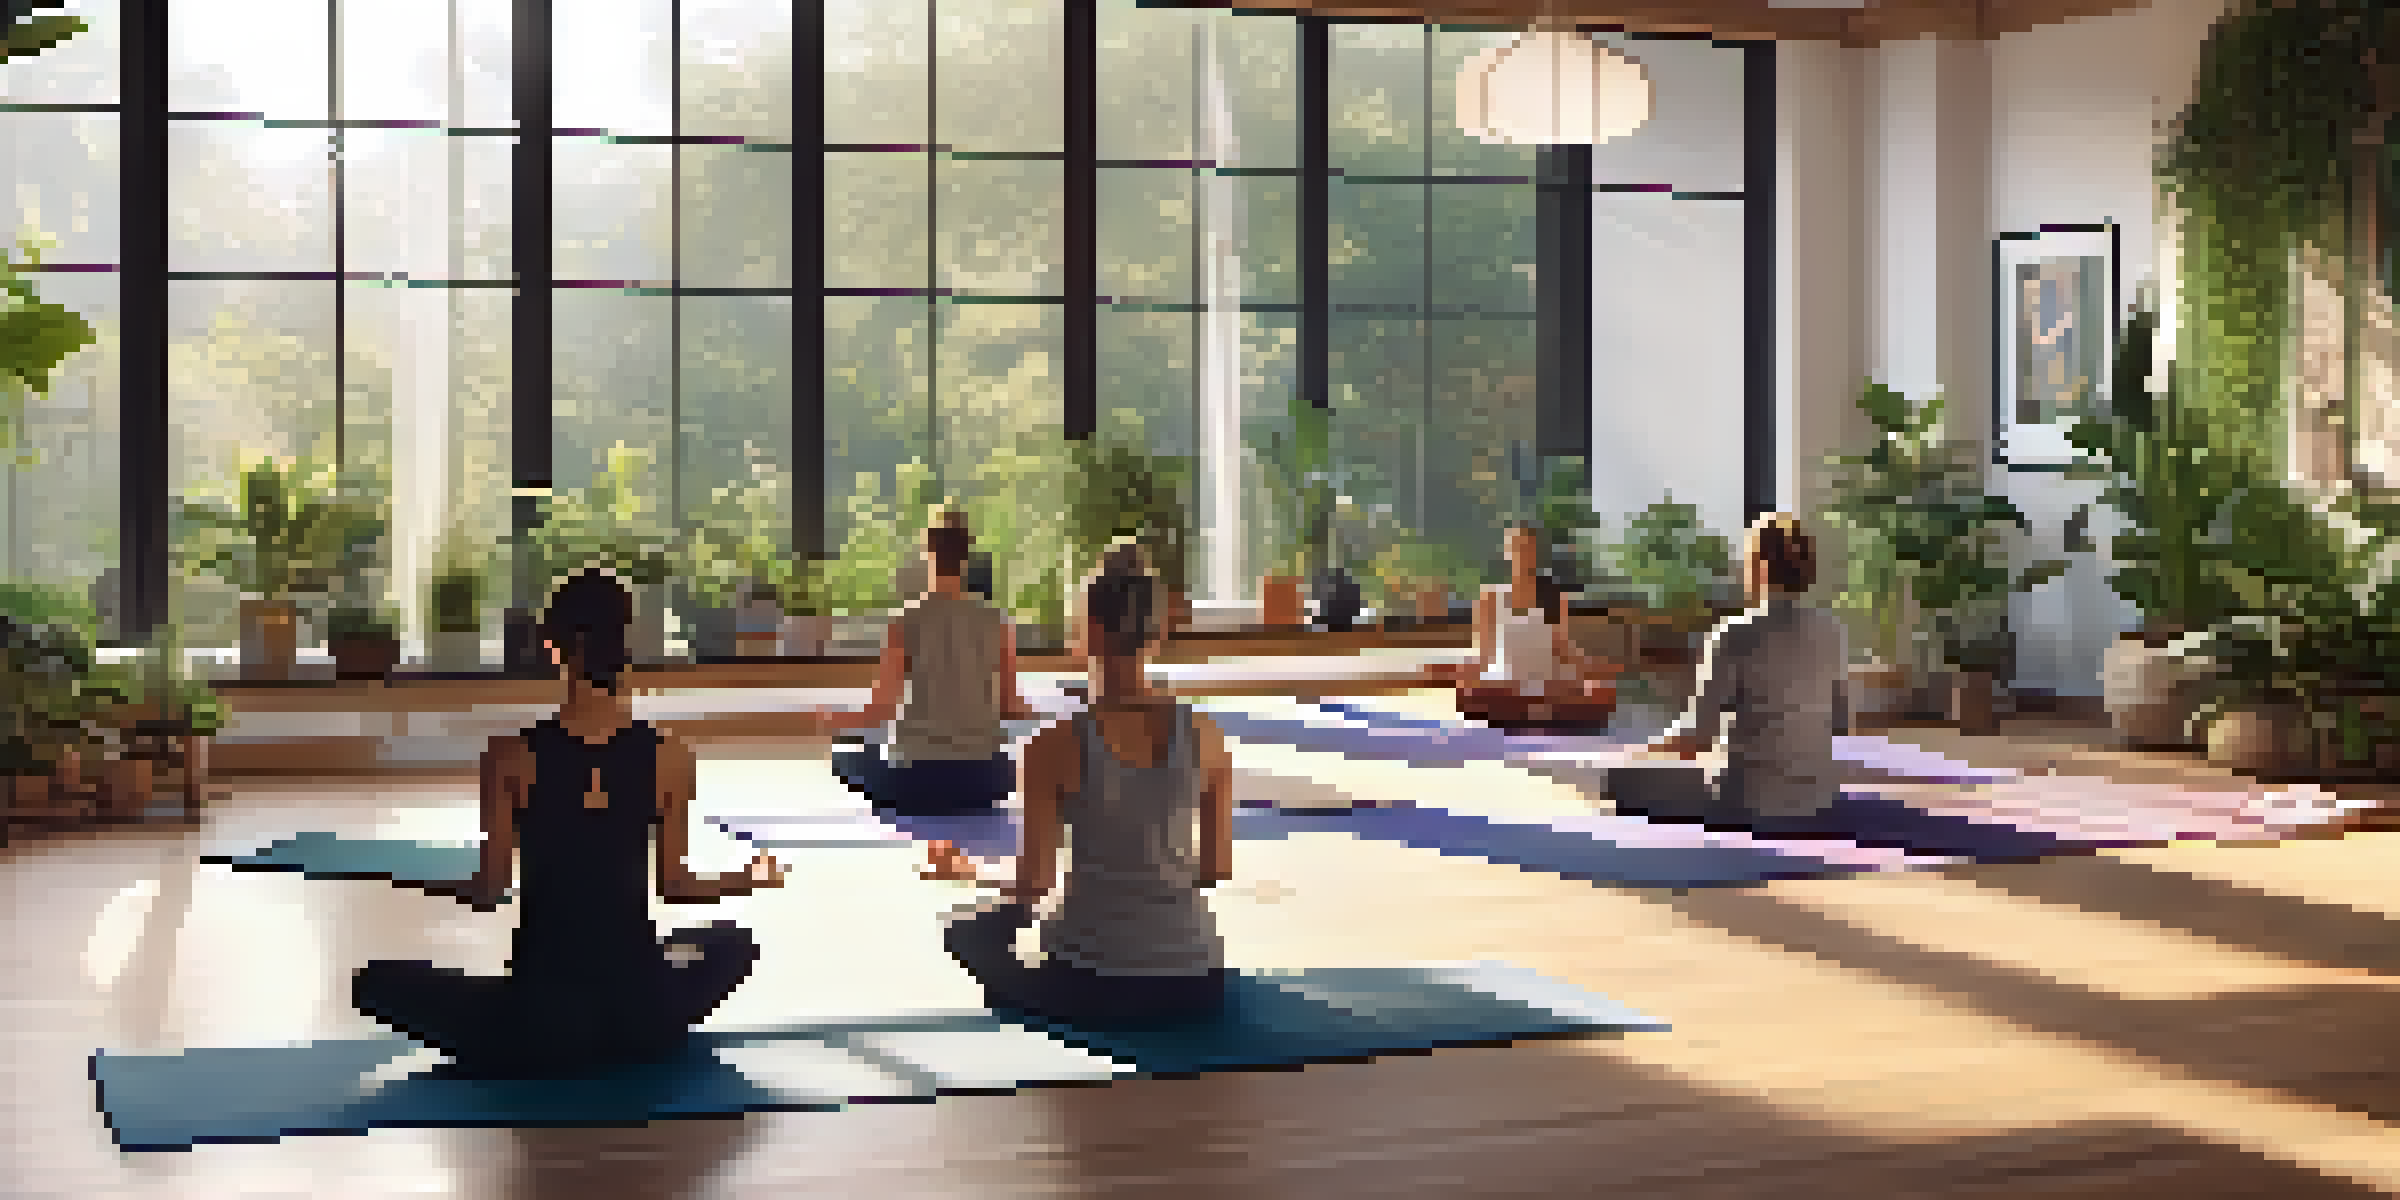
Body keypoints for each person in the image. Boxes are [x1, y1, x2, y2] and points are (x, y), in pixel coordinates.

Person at [351, 568, 786, 1079]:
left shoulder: (511, 757)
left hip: (543, 1026)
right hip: (643, 1018)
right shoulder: (670, 757)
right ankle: (652, 971)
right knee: (733, 942)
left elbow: (490, 888)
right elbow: (676, 887)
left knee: (374, 983)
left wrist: (411, 875)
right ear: (625, 644)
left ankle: (588, 1010)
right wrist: (748, 877)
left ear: (552, 646)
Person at [921, 542, 1238, 1029]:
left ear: (1086, 632)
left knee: (961, 931)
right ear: (1156, 633)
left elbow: (1034, 883)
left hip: (1092, 982)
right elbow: (1215, 869)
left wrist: (969, 871)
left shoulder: (1052, 745)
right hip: (1197, 981)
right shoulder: (1208, 737)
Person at [1608, 512, 1849, 829]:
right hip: (1819, 801)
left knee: (1621, 781)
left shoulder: (1735, 633)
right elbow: (1841, 723)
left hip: (1749, 802)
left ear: (1760, 566)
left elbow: (1695, 739)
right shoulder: (1832, 630)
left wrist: (1634, 751)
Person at [817, 518, 1043, 815]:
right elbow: (1012, 707)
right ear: (967, 557)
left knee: (842, 757)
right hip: (984, 783)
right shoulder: (998, 623)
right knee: (1019, 761)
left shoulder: (903, 621)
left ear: (927, 554)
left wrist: (829, 720)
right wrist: (1050, 715)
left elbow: (880, 712)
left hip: (913, 782)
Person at [1434, 522, 1621, 729]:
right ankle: (1538, 713)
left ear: (1536, 553)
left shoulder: (1554, 597)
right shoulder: (1490, 597)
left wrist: (1591, 670)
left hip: (1548, 685)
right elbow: (1484, 654)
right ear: (1507, 552)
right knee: (1471, 692)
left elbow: (1562, 647)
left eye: (1528, 548)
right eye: (1517, 547)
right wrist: (1463, 673)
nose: (1522, 554)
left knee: (1598, 692)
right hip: (1506, 686)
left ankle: (1534, 712)